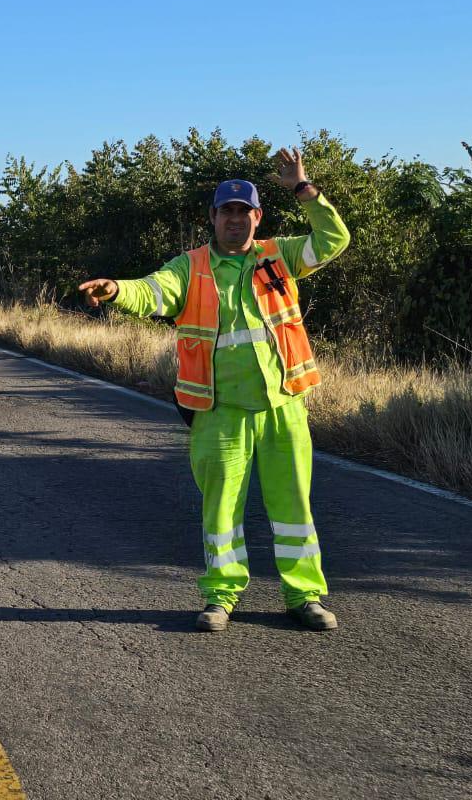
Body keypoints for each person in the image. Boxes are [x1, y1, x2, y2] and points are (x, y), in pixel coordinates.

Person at [78, 147, 350, 633]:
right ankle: (221, 597)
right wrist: (118, 289)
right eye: (228, 211)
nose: (236, 220)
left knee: (294, 509)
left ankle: (305, 596)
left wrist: (303, 188)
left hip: (284, 405)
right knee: (221, 512)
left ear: (257, 218)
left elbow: (333, 239)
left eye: (245, 212)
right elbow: (153, 290)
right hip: (219, 411)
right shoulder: (191, 267)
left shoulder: (280, 255)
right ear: (213, 217)